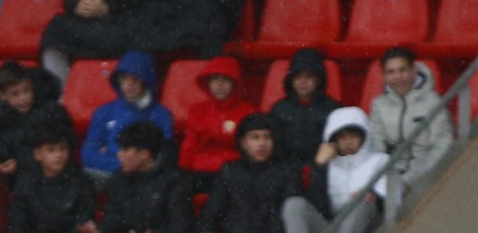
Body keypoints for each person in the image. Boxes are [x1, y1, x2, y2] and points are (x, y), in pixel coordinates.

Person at [179, 113, 300, 233]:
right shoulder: (230, 170)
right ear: (243, 143)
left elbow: (288, 209)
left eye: (267, 137)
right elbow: (213, 207)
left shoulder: (287, 171)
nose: (262, 144)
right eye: (255, 138)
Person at [281, 106, 387, 233]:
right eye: (342, 137)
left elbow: (393, 202)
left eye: (353, 136)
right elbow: (317, 207)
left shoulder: (380, 160)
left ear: (364, 137)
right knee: (294, 204)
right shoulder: (327, 167)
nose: (348, 142)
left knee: (362, 201)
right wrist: (318, 167)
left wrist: (374, 197)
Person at [8, 110, 98, 233]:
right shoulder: (26, 182)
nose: (58, 155)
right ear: (37, 154)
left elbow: (83, 228)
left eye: (62, 149)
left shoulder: (81, 182)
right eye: (51, 150)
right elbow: (16, 221)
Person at [40, 0, 233, 85]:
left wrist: (109, 6)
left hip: (143, 16)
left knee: (207, 15)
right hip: (106, 23)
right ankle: (60, 94)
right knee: (57, 28)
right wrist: (77, 5)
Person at [80, 51, 174, 185]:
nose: (129, 84)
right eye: (124, 78)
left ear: (146, 80)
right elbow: (87, 154)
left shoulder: (162, 115)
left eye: (135, 78)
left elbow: (162, 157)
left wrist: (108, 155)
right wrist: (127, 163)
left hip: (145, 179)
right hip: (108, 176)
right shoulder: (103, 112)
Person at [368, 46, 452, 186]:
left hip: (427, 175)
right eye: (391, 72)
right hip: (391, 176)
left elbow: (442, 146)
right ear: (384, 76)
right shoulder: (378, 105)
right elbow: (375, 147)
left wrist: (409, 180)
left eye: (403, 70)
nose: (397, 77)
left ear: (413, 71)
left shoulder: (433, 102)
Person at [177, 56, 256, 184]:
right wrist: (181, 170)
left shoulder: (249, 112)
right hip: (201, 170)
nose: (219, 85)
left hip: (233, 173)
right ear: (208, 83)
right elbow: (189, 145)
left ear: (235, 83)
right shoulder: (197, 110)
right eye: (214, 79)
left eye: (225, 79)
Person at [0, 62, 67, 177]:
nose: (23, 98)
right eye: (15, 94)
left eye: (26, 90)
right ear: (2, 96)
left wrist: (20, 163)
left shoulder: (49, 112)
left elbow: (56, 150)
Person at [268, 47, 340, 165]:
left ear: (319, 79)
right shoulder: (279, 109)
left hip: (322, 169)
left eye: (309, 76)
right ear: (290, 79)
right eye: (298, 76)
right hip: (287, 169)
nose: (303, 81)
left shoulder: (334, 110)